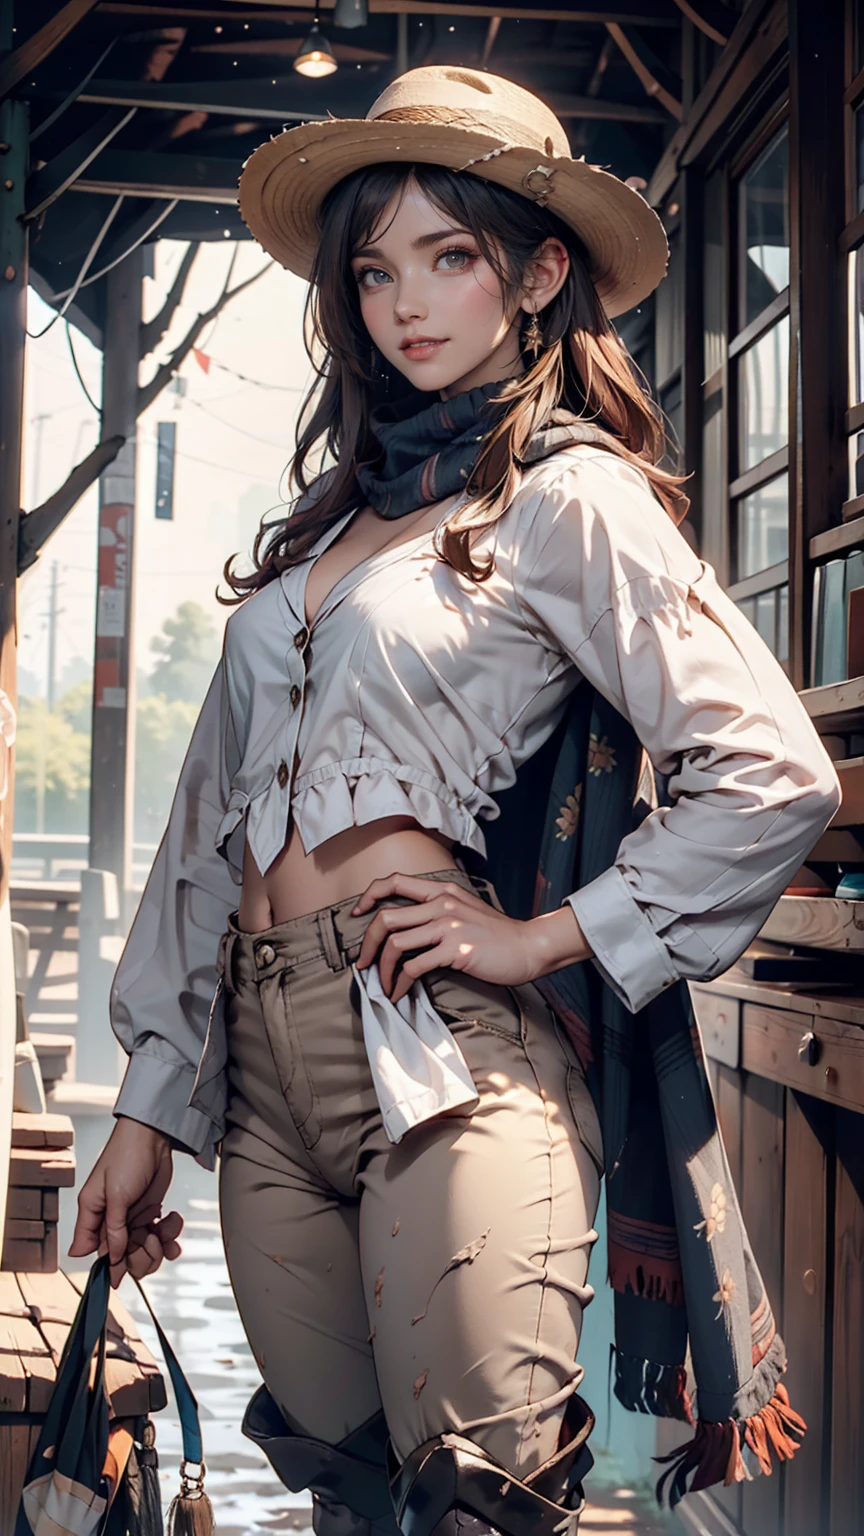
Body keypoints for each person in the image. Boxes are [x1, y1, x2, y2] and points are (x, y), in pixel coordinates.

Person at [68, 67, 841, 1535]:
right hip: (263, 1065)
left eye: (451, 258)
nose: (404, 306)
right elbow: (202, 830)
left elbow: (772, 766)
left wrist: (542, 939)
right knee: (347, 1501)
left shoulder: (565, 496)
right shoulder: (330, 525)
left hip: (443, 1044)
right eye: (374, 270)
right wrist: (150, 1102)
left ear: (541, 273)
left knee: (475, 1501)